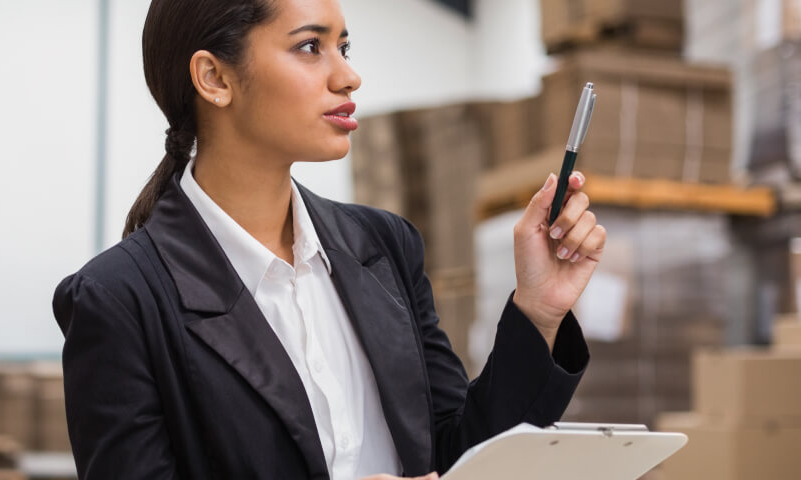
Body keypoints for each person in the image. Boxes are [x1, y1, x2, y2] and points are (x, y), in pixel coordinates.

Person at [52, 0, 606, 479]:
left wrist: (538, 312)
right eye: (310, 47)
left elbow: (458, 452)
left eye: (344, 46)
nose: (348, 76)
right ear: (214, 79)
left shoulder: (385, 247)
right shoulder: (118, 299)